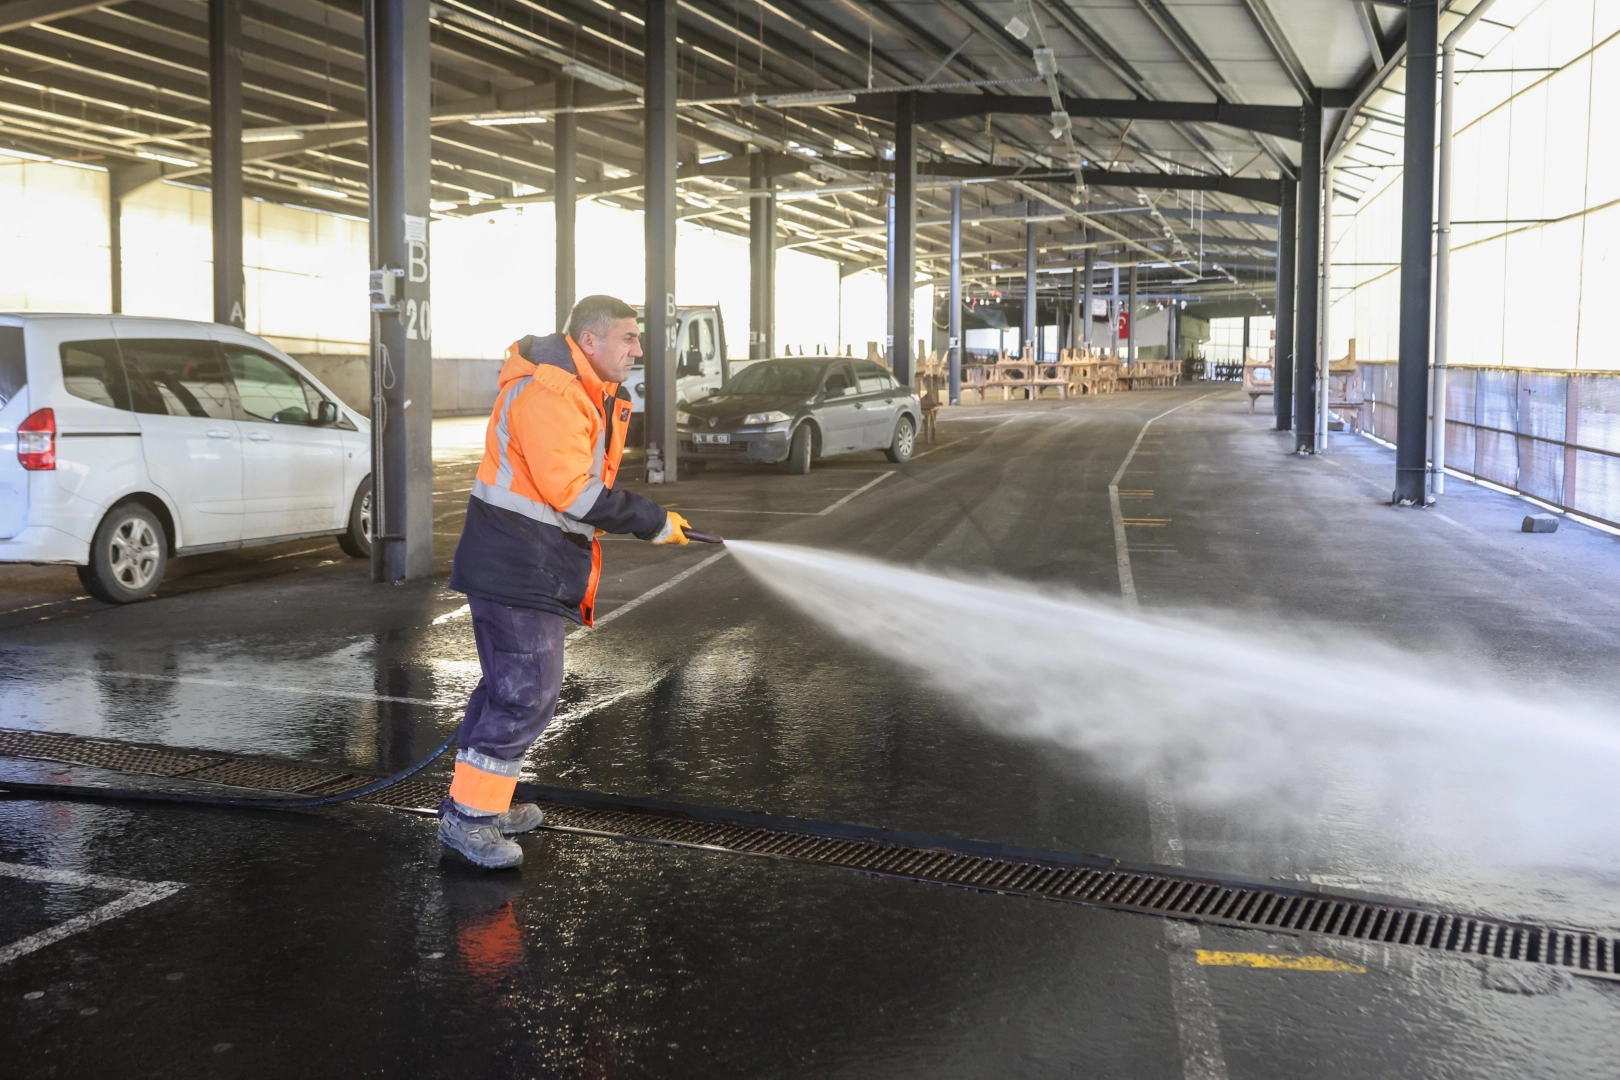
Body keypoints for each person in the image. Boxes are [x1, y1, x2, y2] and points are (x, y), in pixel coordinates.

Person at [440, 294, 693, 869]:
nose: (637, 349)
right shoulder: (551, 393)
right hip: (515, 564)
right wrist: (651, 520)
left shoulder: (583, 391)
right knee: (526, 691)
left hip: (525, 560)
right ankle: (470, 823)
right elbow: (574, 493)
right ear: (589, 340)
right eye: (627, 338)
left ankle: (479, 803)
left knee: (508, 688)